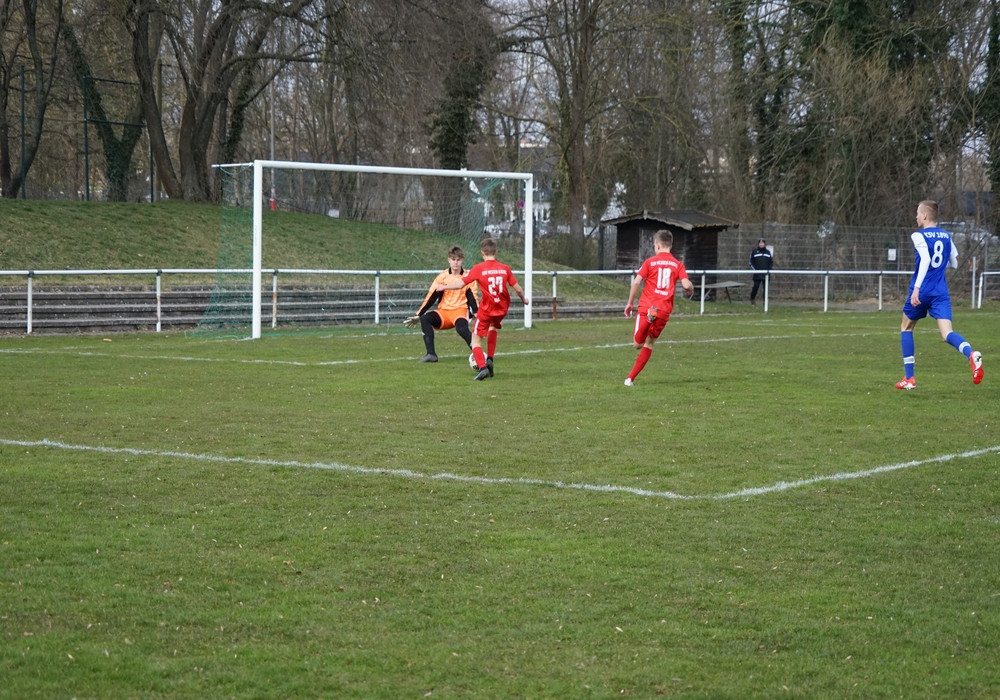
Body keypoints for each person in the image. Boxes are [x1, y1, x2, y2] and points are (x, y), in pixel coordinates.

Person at [895, 200, 983, 390]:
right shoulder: (946, 235)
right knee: (947, 333)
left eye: (918, 213)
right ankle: (971, 354)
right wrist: (940, 267)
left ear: (925, 215)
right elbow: (954, 262)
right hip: (940, 291)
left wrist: (917, 288)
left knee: (906, 328)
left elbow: (926, 259)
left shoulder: (918, 235)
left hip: (922, 290)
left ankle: (909, 378)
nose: (916, 217)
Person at [437, 237, 528, 381]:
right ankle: (490, 358)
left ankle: (482, 367)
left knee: (475, 341)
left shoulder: (479, 268)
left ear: (482, 253)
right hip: (501, 309)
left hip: (487, 309)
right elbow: (518, 289)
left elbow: (460, 284)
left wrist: (444, 287)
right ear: (496, 252)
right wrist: (524, 299)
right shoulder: (505, 268)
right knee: (493, 327)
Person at [623, 229, 694, 386]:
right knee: (649, 344)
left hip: (647, 305)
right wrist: (691, 288)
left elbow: (636, 282)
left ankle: (648, 320)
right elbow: (686, 284)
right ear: (671, 245)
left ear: (657, 245)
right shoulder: (678, 265)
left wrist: (630, 303)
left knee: (637, 344)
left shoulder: (650, 262)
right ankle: (630, 379)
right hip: (663, 310)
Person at [404, 245, 478, 363]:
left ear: (462, 260)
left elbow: (473, 298)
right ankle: (431, 354)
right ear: (449, 260)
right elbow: (431, 297)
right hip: (444, 313)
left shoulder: (468, 277)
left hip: (460, 311)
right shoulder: (442, 277)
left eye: (458, 260)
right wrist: (418, 314)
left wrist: (477, 314)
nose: (455, 262)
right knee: (425, 319)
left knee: (462, 329)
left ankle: (479, 355)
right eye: (453, 259)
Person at [749, 238, 773, 305]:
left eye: (762, 243)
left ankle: (765, 302)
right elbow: (751, 262)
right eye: (760, 243)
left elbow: (771, 262)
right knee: (756, 287)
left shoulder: (768, 252)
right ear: (758, 244)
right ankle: (752, 298)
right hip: (757, 274)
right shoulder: (754, 252)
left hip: (766, 274)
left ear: (764, 244)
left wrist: (769, 270)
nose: (761, 244)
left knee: (766, 289)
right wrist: (755, 270)